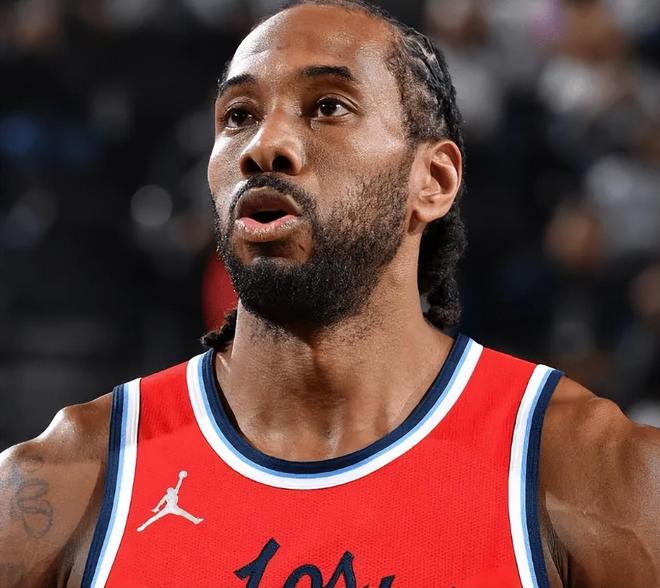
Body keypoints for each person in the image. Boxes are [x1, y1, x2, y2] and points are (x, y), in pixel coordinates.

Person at [1, 1, 658, 586]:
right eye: (238, 116)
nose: (265, 146)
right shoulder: (63, 484)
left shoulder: (596, 479)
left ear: (433, 180)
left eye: (328, 107)